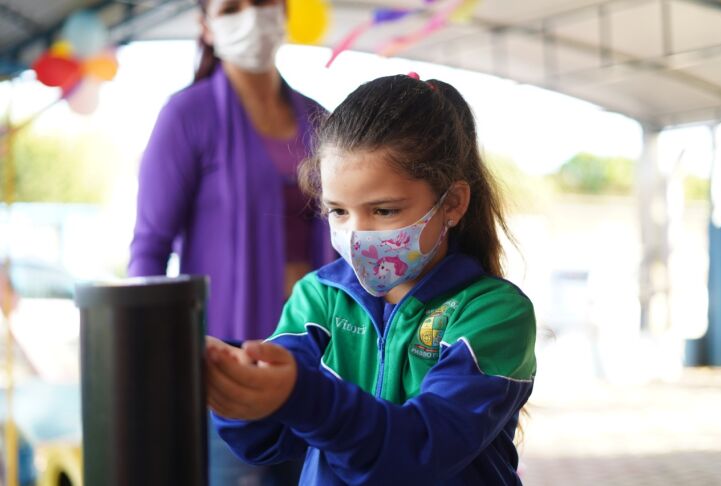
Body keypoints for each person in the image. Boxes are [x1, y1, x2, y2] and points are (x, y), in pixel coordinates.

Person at [205, 73, 537, 485]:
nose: (357, 235)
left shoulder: (494, 314)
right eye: (339, 212)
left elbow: (421, 450)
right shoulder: (320, 299)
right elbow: (266, 442)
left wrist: (302, 394)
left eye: (383, 211)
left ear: (451, 203)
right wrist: (238, 392)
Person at [128, 0, 330, 483]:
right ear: (206, 26)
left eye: (262, 3)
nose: (251, 16)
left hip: (320, 351)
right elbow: (150, 248)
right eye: (232, 7)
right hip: (228, 358)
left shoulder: (321, 119)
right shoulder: (187, 114)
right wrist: (159, 353)